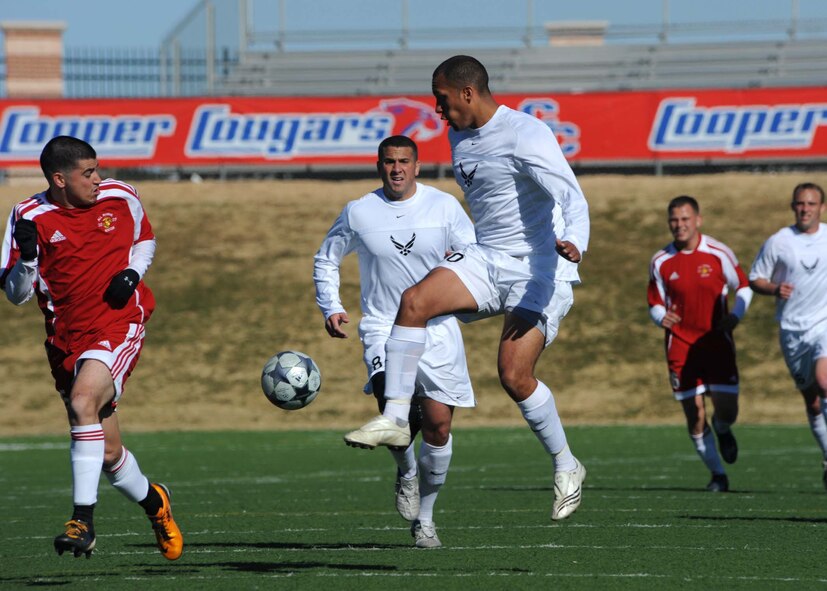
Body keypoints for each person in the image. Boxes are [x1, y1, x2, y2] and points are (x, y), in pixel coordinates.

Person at [343, 55, 590, 521]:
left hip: (539, 266)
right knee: (413, 301)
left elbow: (570, 195)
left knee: (513, 375)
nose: (437, 110)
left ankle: (566, 464)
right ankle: (396, 418)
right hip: (487, 257)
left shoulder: (526, 133)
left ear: (468, 94)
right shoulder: (459, 135)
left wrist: (575, 240)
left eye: (441, 99)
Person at [0, 136, 183, 560]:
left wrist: (132, 275)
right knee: (108, 450)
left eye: (97, 169)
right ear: (60, 179)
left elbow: (145, 238)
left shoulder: (121, 196)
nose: (98, 179)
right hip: (65, 339)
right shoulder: (28, 215)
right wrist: (27, 260)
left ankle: (83, 520)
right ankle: (157, 503)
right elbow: (15, 295)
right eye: (88, 173)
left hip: (120, 322)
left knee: (84, 401)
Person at [314, 135, 476, 548]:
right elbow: (326, 257)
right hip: (384, 327)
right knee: (393, 409)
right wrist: (330, 305)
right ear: (379, 165)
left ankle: (425, 518)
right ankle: (406, 472)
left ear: (418, 166)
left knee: (438, 426)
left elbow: (475, 257)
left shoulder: (443, 207)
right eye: (389, 162)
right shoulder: (359, 211)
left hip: (438, 331)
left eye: (405, 161)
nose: (397, 169)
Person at [647, 196, 753, 492]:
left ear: (697, 220)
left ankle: (722, 429)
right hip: (680, 345)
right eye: (674, 220)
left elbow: (742, 286)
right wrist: (659, 317)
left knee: (727, 410)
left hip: (717, 344)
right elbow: (654, 301)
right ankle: (718, 475)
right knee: (694, 413)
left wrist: (736, 315)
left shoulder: (719, 253)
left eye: (684, 219)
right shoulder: (661, 261)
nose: (679, 225)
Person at [749, 182, 827, 488]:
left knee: (824, 382)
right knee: (811, 402)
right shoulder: (779, 242)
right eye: (800, 204)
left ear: (821, 207)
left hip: (824, 323)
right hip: (792, 330)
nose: (805, 209)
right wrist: (773, 288)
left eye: (811, 203)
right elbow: (756, 277)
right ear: (793, 207)